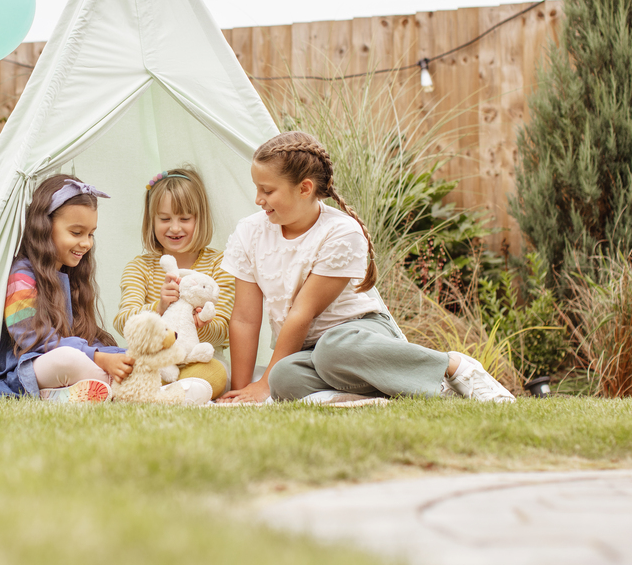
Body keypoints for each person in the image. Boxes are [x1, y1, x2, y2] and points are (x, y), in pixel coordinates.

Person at [219, 131, 516, 405]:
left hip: (357, 335)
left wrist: (263, 386)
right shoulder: (251, 232)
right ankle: (421, 388)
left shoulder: (340, 232)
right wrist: (244, 389)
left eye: (267, 191)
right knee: (283, 377)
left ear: (305, 188)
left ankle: (452, 366)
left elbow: (301, 312)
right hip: (311, 352)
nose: (258, 200)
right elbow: (245, 318)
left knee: (331, 350)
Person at [0, 174, 132, 402]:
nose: (86, 243)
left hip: (67, 368)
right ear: (44, 227)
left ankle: (63, 394)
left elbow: (82, 336)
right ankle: (126, 389)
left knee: (123, 355)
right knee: (68, 359)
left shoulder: (71, 275)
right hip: (24, 371)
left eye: (91, 234)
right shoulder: (22, 276)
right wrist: (96, 357)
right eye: (76, 233)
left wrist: (118, 356)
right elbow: (32, 338)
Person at [114, 168, 232, 402]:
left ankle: (159, 396)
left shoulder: (221, 264)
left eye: (185, 219)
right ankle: (166, 394)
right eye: (165, 219)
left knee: (216, 373)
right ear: (152, 221)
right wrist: (158, 308)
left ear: (201, 218)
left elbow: (224, 331)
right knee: (130, 367)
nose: (175, 228)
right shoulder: (140, 267)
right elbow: (123, 322)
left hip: (199, 360)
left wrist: (198, 322)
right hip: (154, 362)